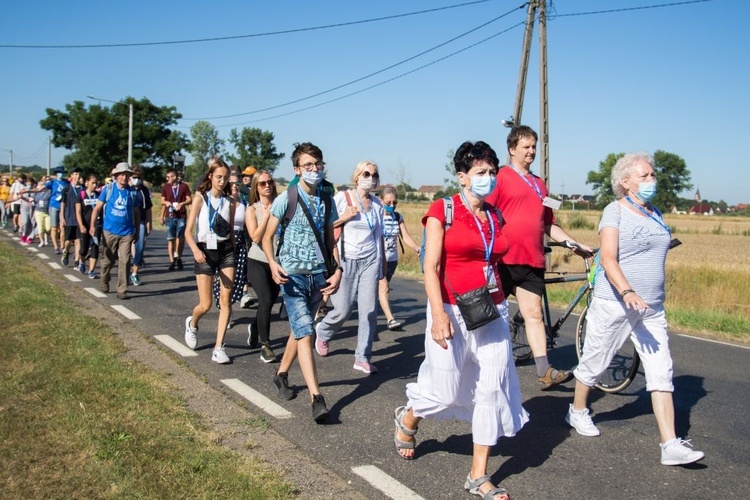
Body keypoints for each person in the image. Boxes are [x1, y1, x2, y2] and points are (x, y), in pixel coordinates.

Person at [393, 141, 526, 500]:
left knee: (492, 389)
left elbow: (494, 260)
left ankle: (478, 475)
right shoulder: (444, 209)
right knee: (445, 391)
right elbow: (431, 267)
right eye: (480, 173)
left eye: (492, 172)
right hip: (451, 310)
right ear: (463, 177)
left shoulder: (495, 216)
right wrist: (437, 315)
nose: (488, 178)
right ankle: (409, 416)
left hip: (491, 310)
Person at [566, 152, 704, 466]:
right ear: (625, 182)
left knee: (661, 371)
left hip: (652, 307)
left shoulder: (655, 213)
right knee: (597, 359)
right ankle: (577, 411)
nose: (651, 180)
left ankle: (670, 444)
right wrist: (627, 289)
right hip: (616, 300)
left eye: (652, 175)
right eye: (644, 176)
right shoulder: (614, 211)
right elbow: (609, 258)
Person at [486, 125, 592, 390]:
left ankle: (544, 371)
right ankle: (477, 365)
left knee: (534, 315)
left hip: (532, 260)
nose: (532, 151)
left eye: (534, 146)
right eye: (526, 146)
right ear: (512, 149)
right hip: (503, 260)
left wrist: (571, 243)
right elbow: (485, 215)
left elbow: (548, 224)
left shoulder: (539, 184)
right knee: (489, 315)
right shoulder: (500, 177)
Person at [263, 142, 342, 423]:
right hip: (292, 277)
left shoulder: (327, 200)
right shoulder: (288, 197)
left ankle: (281, 375)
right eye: (308, 165)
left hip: (318, 275)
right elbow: (266, 236)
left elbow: (331, 240)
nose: (314, 169)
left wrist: (338, 269)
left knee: (300, 330)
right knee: (306, 333)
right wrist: (273, 264)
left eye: (317, 164)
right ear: (297, 170)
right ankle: (316, 398)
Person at [314, 160, 385, 374]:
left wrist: (380, 267)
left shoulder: (378, 205)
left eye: (374, 175)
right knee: (343, 309)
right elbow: (323, 226)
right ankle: (324, 331)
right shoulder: (343, 198)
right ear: (356, 177)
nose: (370, 179)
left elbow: (378, 237)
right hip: (345, 259)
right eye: (366, 174)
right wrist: (344, 218)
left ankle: (362, 356)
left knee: (369, 311)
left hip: (370, 260)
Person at [183, 157, 236, 364]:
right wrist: (195, 249)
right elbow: (188, 232)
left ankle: (219, 347)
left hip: (225, 251)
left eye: (225, 178)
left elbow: (230, 231)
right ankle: (192, 323)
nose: (222, 181)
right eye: (219, 177)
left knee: (226, 300)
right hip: (204, 250)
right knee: (206, 304)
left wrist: (234, 251)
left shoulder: (229, 202)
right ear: (211, 177)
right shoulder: (200, 199)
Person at [89, 162, 140, 300]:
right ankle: (104, 280)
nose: (124, 177)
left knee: (125, 260)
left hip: (127, 232)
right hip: (110, 231)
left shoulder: (132, 193)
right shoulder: (109, 189)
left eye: (127, 174)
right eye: (122, 174)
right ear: (116, 176)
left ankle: (122, 289)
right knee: (108, 260)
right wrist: (92, 225)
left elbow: (136, 212)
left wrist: (136, 230)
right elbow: (97, 208)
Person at [245, 170, 281, 363]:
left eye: (270, 182)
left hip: (276, 262)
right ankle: (265, 345)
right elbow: (256, 237)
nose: (267, 186)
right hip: (257, 260)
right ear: (256, 188)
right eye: (262, 183)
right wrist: (267, 215)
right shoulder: (252, 210)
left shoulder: (281, 205)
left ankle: (255, 327)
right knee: (265, 300)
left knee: (270, 301)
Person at [379, 186, 421, 330]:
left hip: (392, 259)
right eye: (388, 202)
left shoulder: (397, 217)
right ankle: (390, 319)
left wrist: (417, 248)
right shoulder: (376, 215)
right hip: (378, 259)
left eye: (394, 203)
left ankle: (369, 311)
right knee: (383, 287)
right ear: (381, 201)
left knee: (380, 289)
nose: (392, 205)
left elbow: (406, 236)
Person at [210, 171, 248, 325]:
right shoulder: (223, 202)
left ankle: (228, 308)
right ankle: (224, 311)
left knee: (237, 278)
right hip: (223, 243)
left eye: (237, 184)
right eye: (231, 183)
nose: (234, 187)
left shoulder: (244, 203)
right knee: (222, 279)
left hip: (240, 242)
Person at [160, 168, 192, 271]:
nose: (168, 179)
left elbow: (189, 199)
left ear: (175, 177)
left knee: (181, 238)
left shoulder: (184, 186)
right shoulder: (166, 187)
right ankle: (172, 261)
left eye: (170, 177)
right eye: (167, 177)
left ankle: (178, 257)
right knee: (171, 239)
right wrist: (165, 205)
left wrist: (182, 203)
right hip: (170, 215)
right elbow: (162, 200)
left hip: (181, 215)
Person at [129, 165, 153, 286]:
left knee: (140, 247)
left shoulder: (144, 190)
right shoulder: (128, 189)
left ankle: (134, 272)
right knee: (125, 247)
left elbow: (148, 208)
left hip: (141, 221)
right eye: (134, 177)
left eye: (138, 177)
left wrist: (149, 223)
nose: (136, 180)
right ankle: (124, 271)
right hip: (127, 222)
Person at [77, 174, 101, 279]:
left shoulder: (99, 195)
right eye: (92, 183)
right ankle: (82, 262)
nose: (94, 185)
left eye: (96, 183)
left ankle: (91, 270)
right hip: (84, 225)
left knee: (95, 247)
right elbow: (78, 212)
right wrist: (81, 225)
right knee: (83, 250)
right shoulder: (81, 195)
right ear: (87, 183)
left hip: (96, 225)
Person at [59, 167, 83, 269]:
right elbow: (63, 204)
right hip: (69, 217)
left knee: (78, 240)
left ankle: (77, 261)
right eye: (76, 174)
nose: (78, 176)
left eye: (79, 174)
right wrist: (62, 217)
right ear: (72, 176)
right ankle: (66, 251)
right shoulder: (67, 189)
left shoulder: (82, 189)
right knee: (68, 240)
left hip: (79, 219)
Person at [33, 177, 52, 247]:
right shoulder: (36, 193)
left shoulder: (49, 191)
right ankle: (42, 241)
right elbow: (33, 200)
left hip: (47, 212)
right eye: (39, 185)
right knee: (40, 227)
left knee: (48, 228)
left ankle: (46, 236)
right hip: (38, 211)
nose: (41, 186)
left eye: (42, 185)